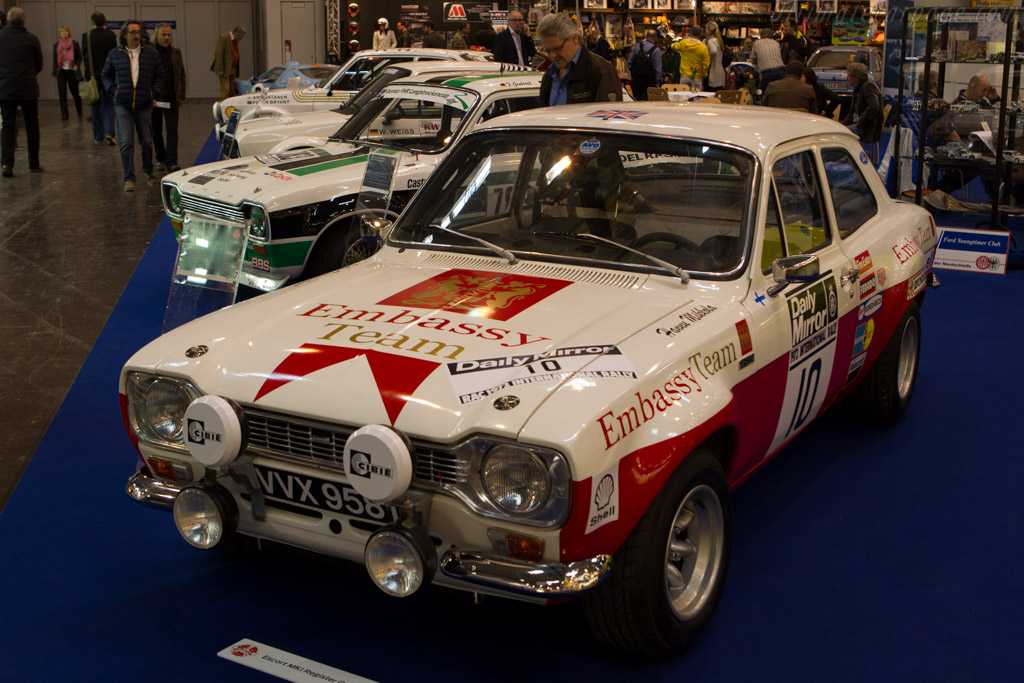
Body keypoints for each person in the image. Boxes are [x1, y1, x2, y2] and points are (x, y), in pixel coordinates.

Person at [102, 19, 165, 192]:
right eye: (132, 32)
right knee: (126, 142)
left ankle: (148, 171)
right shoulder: (115, 54)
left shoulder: (151, 53)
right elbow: (105, 75)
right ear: (124, 35)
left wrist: (153, 93)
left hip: (144, 104)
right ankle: (129, 178)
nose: (136, 35)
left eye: (138, 32)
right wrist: (114, 90)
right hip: (123, 104)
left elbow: (160, 75)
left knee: (146, 141)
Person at [537, 12, 622, 106]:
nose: (552, 55)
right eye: (548, 50)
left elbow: (608, 116)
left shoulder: (602, 71)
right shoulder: (550, 75)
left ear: (574, 39)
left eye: (558, 48)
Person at [0, 7, 44, 177]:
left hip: (5, 89)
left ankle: (6, 164)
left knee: (8, 127)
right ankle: (33, 164)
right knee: (32, 127)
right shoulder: (32, 39)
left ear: (8, 21)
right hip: (28, 89)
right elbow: (39, 65)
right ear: (24, 21)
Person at [152, 23, 185, 173]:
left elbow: (181, 74)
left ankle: (172, 161)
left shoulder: (175, 52)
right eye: (163, 35)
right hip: (155, 98)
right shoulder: (150, 52)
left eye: (168, 35)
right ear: (156, 36)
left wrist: (181, 95)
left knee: (172, 130)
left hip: (172, 97)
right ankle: (161, 158)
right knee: (156, 130)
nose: (166, 38)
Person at [83, 12, 117, 145]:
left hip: (93, 76)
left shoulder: (87, 36)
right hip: (109, 74)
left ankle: (98, 136)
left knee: (95, 106)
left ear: (92, 22)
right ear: (105, 22)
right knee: (109, 104)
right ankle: (110, 132)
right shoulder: (111, 35)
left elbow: (85, 55)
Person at [842, 61, 882, 144]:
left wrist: (860, 123)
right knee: (838, 130)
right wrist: (842, 124)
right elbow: (851, 113)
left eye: (849, 75)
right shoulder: (857, 89)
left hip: (866, 128)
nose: (847, 78)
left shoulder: (868, 87)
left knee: (839, 134)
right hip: (858, 125)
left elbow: (874, 107)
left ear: (856, 78)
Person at [52, 26, 83, 121]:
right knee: (62, 93)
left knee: (75, 92)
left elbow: (79, 56)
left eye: (66, 31)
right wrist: (54, 73)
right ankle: (64, 115)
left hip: (72, 71)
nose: (64, 33)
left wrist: (77, 65)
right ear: (60, 33)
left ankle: (79, 112)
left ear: (69, 33)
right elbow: (54, 59)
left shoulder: (74, 44)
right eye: (62, 31)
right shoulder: (57, 45)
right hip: (61, 71)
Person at [211, 25, 245, 101]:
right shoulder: (224, 37)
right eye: (241, 37)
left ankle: (230, 108)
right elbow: (218, 54)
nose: (241, 39)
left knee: (231, 90)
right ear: (237, 33)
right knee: (225, 90)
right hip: (224, 69)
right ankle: (223, 107)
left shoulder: (236, 40)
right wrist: (220, 69)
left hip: (233, 68)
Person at [671, 26, 709, 90]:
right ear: (701, 33)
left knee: (683, 97)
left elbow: (674, 46)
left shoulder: (684, 43)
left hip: (684, 75)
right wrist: (704, 74)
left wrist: (672, 45)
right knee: (697, 97)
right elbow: (706, 63)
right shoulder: (703, 47)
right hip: (697, 76)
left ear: (690, 32)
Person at [628, 29, 662, 101]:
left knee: (636, 100)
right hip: (649, 81)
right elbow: (657, 68)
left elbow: (629, 61)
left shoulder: (637, 46)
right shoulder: (656, 50)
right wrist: (657, 83)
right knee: (649, 101)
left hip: (637, 80)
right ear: (655, 37)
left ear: (646, 37)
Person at [750, 27, 785, 93]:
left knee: (766, 94)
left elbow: (753, 59)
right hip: (781, 71)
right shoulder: (776, 43)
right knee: (779, 93)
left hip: (768, 73)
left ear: (761, 35)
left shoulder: (757, 43)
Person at [704, 21, 725, 92]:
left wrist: (709, 58)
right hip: (720, 72)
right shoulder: (718, 40)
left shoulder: (711, 41)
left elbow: (714, 51)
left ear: (708, 30)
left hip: (713, 72)